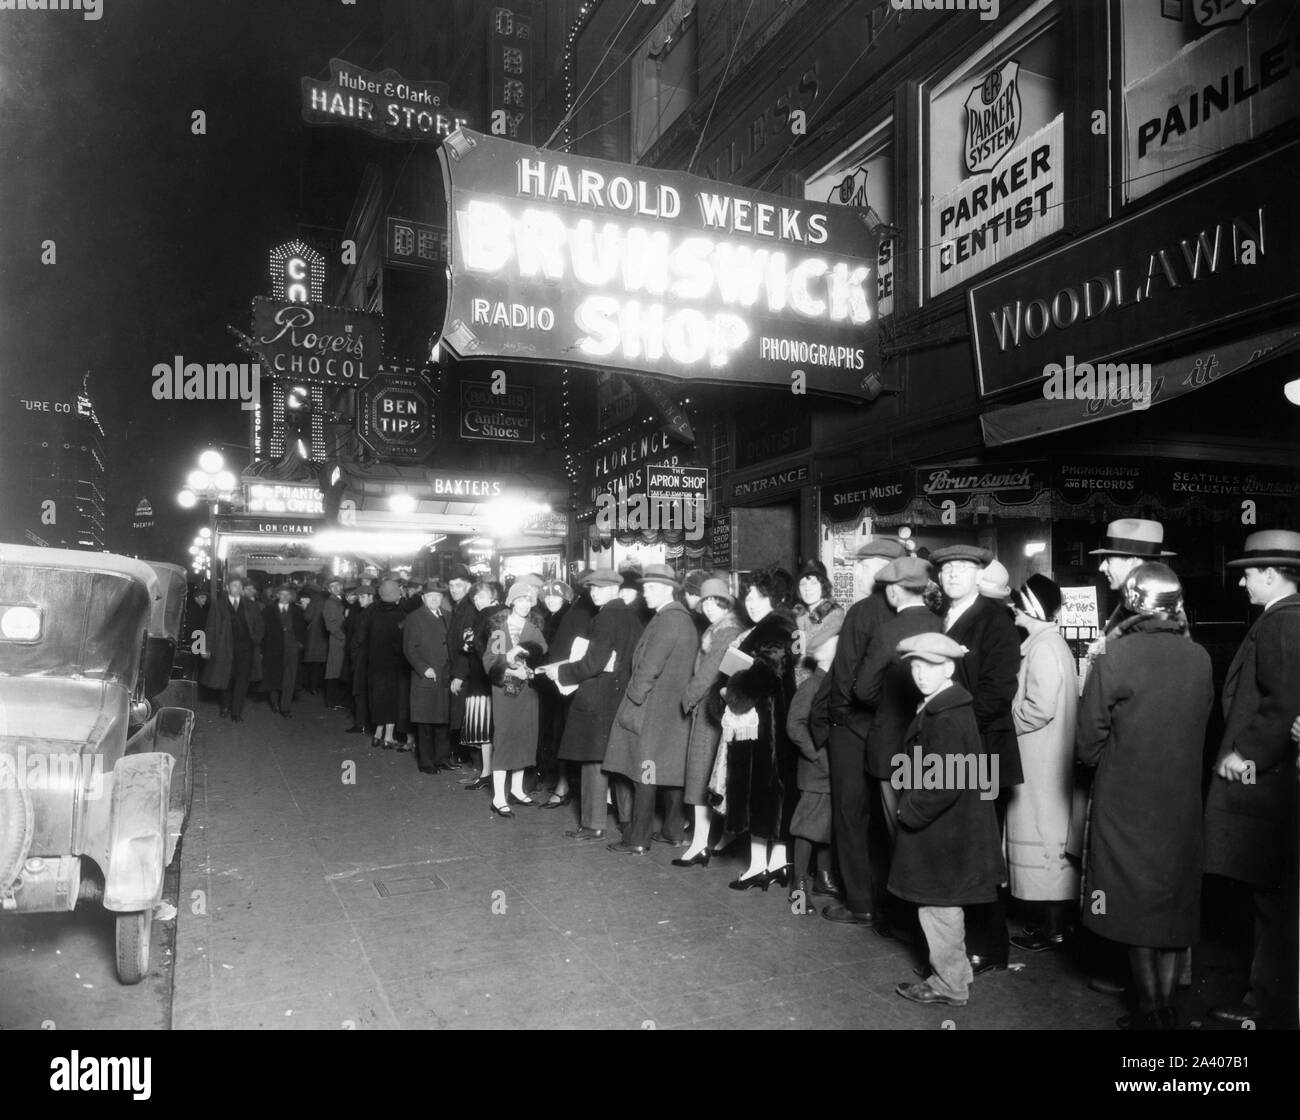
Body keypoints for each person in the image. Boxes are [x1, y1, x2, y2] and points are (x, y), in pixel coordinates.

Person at [1076, 563, 1212, 1030]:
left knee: (1131, 903)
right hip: (1181, 800)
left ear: (1131, 603)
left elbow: (1088, 737)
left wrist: (1097, 763)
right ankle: (1169, 1008)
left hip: (1126, 798)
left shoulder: (1117, 655)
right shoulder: (1199, 657)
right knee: (1171, 903)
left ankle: (1150, 1010)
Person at [1204, 530, 1300, 1030]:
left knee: (1272, 899)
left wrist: (1247, 753)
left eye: (1248, 572)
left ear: (1270, 573)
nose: (1242, 581)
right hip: (1275, 779)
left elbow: (1285, 700)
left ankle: (1266, 1005)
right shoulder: (1282, 618)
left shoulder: (1284, 622)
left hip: (1268, 783)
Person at [890, 633, 1005, 1009]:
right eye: (916, 667)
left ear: (950, 668)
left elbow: (945, 784)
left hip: (944, 831)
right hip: (955, 828)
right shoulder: (946, 706)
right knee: (944, 903)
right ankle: (957, 973)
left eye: (931, 667)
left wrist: (909, 810)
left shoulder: (946, 715)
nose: (921, 675)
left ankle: (950, 984)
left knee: (937, 905)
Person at [931, 543, 1022, 974]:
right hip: (948, 750)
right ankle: (960, 946)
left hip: (982, 749)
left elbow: (996, 694)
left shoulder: (994, 620)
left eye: (962, 569)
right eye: (947, 569)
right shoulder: (942, 619)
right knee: (953, 847)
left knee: (980, 852)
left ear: (978, 575)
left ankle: (989, 948)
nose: (952, 576)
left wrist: (953, 725)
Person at [852, 555, 943, 930]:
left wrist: (890, 704)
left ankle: (899, 917)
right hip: (933, 746)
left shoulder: (889, 630)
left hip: (890, 746)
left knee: (894, 832)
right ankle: (927, 918)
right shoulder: (942, 623)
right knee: (926, 830)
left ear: (892, 591)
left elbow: (862, 689)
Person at [824, 537, 906, 924]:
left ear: (881, 569)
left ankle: (860, 902)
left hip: (853, 729)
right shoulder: (912, 611)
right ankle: (891, 902)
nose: (853, 570)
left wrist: (837, 720)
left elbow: (844, 677)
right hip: (896, 730)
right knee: (887, 817)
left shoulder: (862, 610)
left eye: (860, 564)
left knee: (850, 815)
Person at [1004, 575, 1079, 952]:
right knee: (1047, 840)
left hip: (1040, 758)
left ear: (1033, 607)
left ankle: (1054, 929)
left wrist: (1004, 722)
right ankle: (1048, 924)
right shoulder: (1047, 644)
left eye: (1020, 603)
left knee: (1044, 842)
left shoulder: (1043, 648)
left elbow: (1039, 708)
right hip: (1045, 758)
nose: (1015, 609)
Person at [604, 565, 700, 854]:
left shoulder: (668, 620)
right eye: (645, 588)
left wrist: (632, 699)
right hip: (672, 711)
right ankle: (673, 831)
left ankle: (637, 838)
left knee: (643, 773)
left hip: (653, 707)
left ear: (670, 589)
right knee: (669, 771)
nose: (646, 593)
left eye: (652, 588)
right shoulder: (681, 619)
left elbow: (649, 667)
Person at [542, 569, 643, 839]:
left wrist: (560, 672)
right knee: (619, 764)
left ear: (614, 589)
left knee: (593, 762)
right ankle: (627, 821)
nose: (594, 592)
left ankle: (592, 823)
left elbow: (592, 664)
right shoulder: (632, 618)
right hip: (621, 697)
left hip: (596, 699)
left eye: (600, 588)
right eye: (592, 588)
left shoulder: (604, 618)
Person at [719, 566, 798, 890]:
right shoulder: (773, 626)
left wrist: (730, 690)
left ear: (772, 598)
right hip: (770, 721)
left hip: (764, 724)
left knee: (760, 791)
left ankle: (757, 867)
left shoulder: (773, 627)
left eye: (757, 597)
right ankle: (777, 864)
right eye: (748, 597)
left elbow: (769, 671)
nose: (750, 603)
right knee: (775, 793)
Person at [676, 576, 745, 867]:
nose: (709, 608)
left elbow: (707, 673)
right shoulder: (721, 628)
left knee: (700, 777)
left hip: (709, 710)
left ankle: (700, 844)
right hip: (716, 709)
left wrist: (687, 698)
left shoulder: (725, 632)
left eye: (716, 602)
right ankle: (715, 840)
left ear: (726, 604)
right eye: (705, 602)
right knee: (711, 778)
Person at [482, 581, 548, 816]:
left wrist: (530, 672)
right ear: (511, 602)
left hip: (528, 694)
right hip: (505, 693)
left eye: (528, 600)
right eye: (520, 599)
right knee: (505, 739)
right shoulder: (500, 629)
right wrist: (511, 670)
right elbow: (491, 661)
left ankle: (517, 790)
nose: (524, 604)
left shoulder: (535, 629)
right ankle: (499, 796)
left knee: (524, 738)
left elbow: (542, 659)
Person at [1086, 518, 1175, 667]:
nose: (1101, 567)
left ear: (1132, 561)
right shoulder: (1131, 604)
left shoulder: (1152, 611)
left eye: (1108, 560)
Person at [786, 662, 832, 913]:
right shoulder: (812, 685)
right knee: (807, 825)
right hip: (815, 771)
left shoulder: (831, 683)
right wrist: (817, 755)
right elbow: (794, 725)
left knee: (826, 824)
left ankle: (824, 879)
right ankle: (799, 887)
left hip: (831, 770)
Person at [537, 579, 581, 807]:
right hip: (552, 686)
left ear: (565, 598)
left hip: (564, 686)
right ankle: (561, 781)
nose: (551, 600)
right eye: (548, 597)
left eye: (556, 597)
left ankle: (564, 786)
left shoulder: (568, 618)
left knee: (562, 734)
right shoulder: (551, 618)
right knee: (556, 734)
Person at [404, 578, 455, 776]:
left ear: (441, 598)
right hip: (425, 677)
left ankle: (442, 758)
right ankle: (426, 762)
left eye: (437, 596)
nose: (434, 599)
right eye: (430, 596)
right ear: (423, 598)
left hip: (445, 676)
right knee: (425, 721)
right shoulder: (414, 618)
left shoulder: (448, 616)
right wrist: (423, 668)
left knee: (442, 720)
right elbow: (409, 648)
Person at [199, 576, 264, 722]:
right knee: (225, 678)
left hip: (245, 648)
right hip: (224, 648)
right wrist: (206, 648)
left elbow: (260, 625)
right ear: (227, 588)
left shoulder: (251, 605)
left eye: (240, 586)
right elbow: (210, 627)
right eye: (234, 585)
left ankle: (236, 711)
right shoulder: (218, 605)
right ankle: (225, 705)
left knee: (243, 679)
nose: (238, 589)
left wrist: (255, 640)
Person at [460, 581, 501, 790]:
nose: (477, 602)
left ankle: (488, 773)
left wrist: (471, 640)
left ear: (493, 597)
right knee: (490, 728)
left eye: (481, 597)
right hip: (488, 678)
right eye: (475, 598)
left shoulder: (488, 615)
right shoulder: (493, 614)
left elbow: (489, 649)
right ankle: (489, 772)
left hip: (484, 679)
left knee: (486, 728)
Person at [366, 578, 410, 748]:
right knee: (392, 698)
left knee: (378, 697)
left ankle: (377, 733)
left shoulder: (374, 613)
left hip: (375, 663)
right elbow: (401, 642)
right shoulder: (401, 615)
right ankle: (388, 736)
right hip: (394, 664)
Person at [444, 564, 478, 764]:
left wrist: (458, 675)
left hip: (465, 673)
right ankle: (464, 756)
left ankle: (467, 758)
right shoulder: (461, 607)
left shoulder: (469, 609)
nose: (454, 589)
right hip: (461, 670)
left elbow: (468, 646)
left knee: (464, 715)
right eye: (451, 585)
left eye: (458, 585)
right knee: (461, 714)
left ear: (468, 586)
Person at [263, 584, 307, 718]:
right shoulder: (268, 611)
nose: (285, 597)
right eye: (282, 594)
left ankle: (285, 707)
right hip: (273, 648)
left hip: (292, 648)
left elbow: (303, 630)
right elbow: (262, 631)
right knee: (274, 675)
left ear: (292, 597)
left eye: (288, 595)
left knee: (290, 677)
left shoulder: (297, 611)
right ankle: (274, 701)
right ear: (277, 595)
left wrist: (300, 643)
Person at [344, 585, 373, 733]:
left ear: (371, 597)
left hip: (362, 657)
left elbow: (359, 637)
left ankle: (360, 723)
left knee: (360, 690)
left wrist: (352, 650)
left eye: (362, 597)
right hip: (368, 657)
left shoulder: (367, 613)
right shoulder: (370, 610)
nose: (359, 600)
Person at [321, 578, 348, 710]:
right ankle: (332, 701)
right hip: (338, 642)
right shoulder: (331, 603)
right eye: (333, 586)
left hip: (339, 641)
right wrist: (343, 637)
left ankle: (335, 700)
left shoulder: (339, 600)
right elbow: (331, 625)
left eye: (338, 584)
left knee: (337, 671)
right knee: (334, 672)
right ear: (329, 589)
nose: (337, 587)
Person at [301, 585, 328, 696]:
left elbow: (307, 617)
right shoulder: (327, 599)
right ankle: (317, 686)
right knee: (320, 663)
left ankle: (312, 686)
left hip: (315, 636)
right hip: (324, 636)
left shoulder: (315, 600)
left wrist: (304, 609)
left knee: (314, 664)